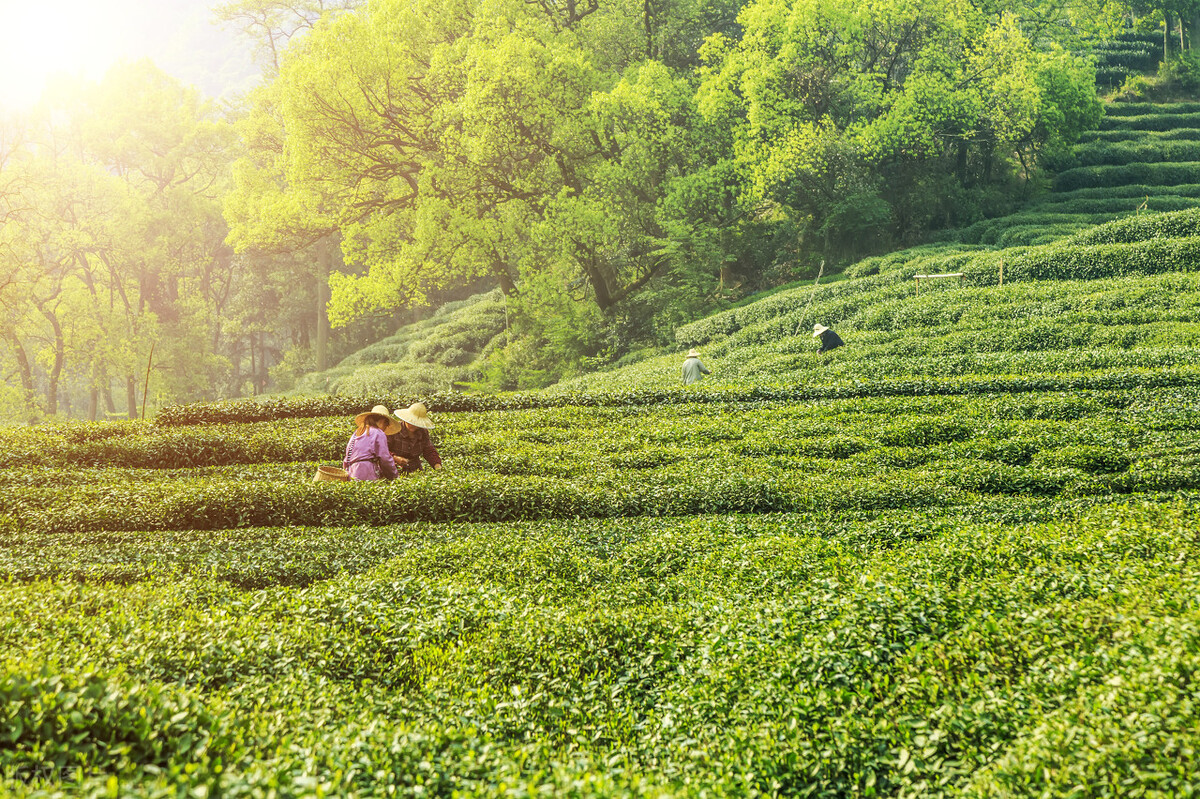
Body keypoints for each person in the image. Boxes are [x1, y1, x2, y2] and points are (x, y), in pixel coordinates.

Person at [342, 405, 401, 481]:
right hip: (366, 472)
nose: (386, 427)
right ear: (381, 421)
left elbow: (347, 458)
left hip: (351, 472)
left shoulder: (357, 432)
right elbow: (385, 459)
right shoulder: (378, 433)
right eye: (386, 424)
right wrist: (395, 477)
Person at [386, 401, 443, 473]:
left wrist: (437, 465)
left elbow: (429, 450)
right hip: (394, 469)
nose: (411, 424)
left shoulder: (423, 432)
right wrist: (395, 458)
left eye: (414, 422)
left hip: (415, 469)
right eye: (410, 421)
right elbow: (383, 451)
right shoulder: (395, 429)